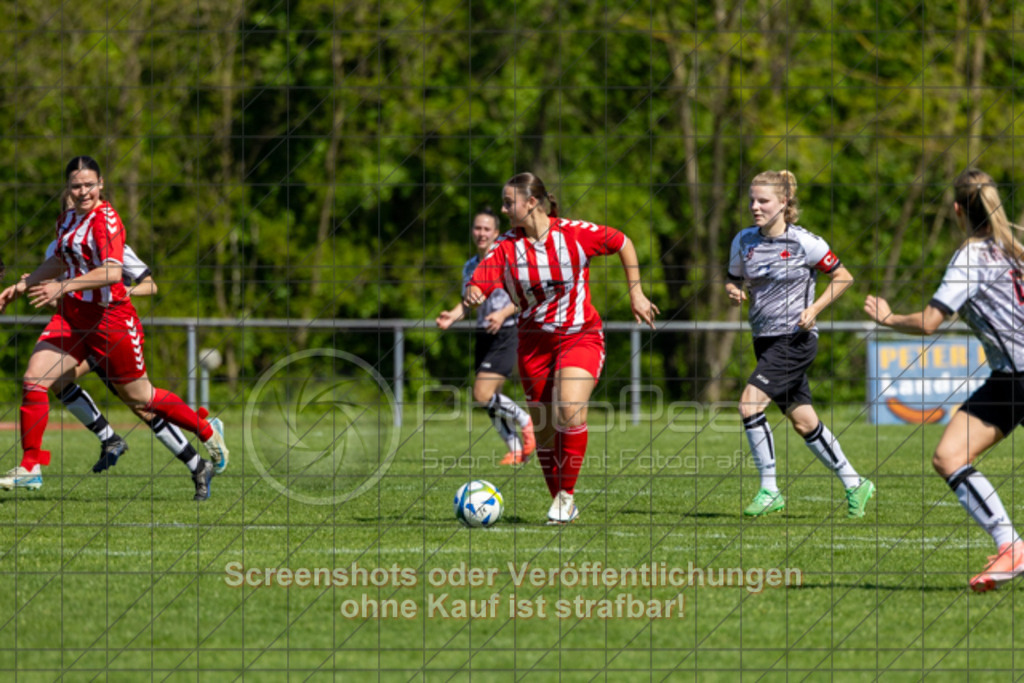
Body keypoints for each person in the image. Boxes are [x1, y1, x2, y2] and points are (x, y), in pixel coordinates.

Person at [0, 155, 228, 501]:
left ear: (101, 184)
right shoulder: (67, 219)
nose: (83, 191)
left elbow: (110, 272)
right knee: (35, 380)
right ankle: (32, 466)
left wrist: (62, 287)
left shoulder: (106, 221)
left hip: (112, 322)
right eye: (76, 185)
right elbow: (60, 260)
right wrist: (24, 285)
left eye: (89, 184)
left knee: (142, 398)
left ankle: (206, 429)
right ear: (67, 188)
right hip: (74, 319)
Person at [463, 172, 658, 524]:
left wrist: (636, 291)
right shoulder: (506, 247)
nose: (505, 210)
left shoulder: (574, 233)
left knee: (569, 409)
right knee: (544, 431)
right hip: (533, 344)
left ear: (531, 202)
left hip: (580, 335)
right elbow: (481, 279)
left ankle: (566, 496)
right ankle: (561, 501)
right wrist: (473, 293)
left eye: (510, 203)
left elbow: (623, 242)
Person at [865, 167, 1024, 592]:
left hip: (1017, 377)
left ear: (957, 210)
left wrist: (888, 316)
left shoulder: (971, 257)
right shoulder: (1012, 251)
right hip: (1010, 379)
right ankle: (1011, 545)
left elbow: (931, 321)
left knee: (950, 457)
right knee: (949, 456)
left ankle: (1011, 544)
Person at [726, 169, 875, 518]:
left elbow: (843, 276)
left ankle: (769, 490)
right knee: (804, 421)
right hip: (764, 340)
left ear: (784, 203)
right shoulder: (743, 241)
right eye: (752, 200)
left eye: (763, 201)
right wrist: (733, 291)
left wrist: (815, 308)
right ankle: (856, 483)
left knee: (749, 406)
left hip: (795, 339)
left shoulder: (805, 242)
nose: (755, 207)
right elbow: (733, 279)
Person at [38, 239, 216, 477]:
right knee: (54, 380)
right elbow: (61, 305)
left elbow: (151, 286)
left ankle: (200, 452)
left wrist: (124, 291)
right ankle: (109, 438)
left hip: (114, 335)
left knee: (142, 404)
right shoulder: (56, 250)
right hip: (84, 337)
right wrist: (44, 292)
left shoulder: (113, 247)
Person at [436, 209, 536, 465]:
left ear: (496, 233)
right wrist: (453, 315)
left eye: (486, 229)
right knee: (491, 400)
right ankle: (515, 450)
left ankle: (526, 421)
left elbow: (526, 297)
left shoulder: (507, 260)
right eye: (477, 228)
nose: (481, 233)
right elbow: (468, 301)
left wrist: (502, 314)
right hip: (484, 333)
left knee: (482, 394)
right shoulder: (470, 266)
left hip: (507, 331)